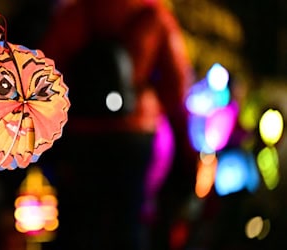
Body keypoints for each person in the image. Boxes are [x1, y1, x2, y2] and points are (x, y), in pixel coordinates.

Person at [38, 0, 197, 249]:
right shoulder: (154, 15)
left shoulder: (75, 13)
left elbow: (44, 73)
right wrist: (149, 103)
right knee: (130, 218)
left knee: (78, 221)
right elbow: (177, 83)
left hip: (81, 132)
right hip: (134, 135)